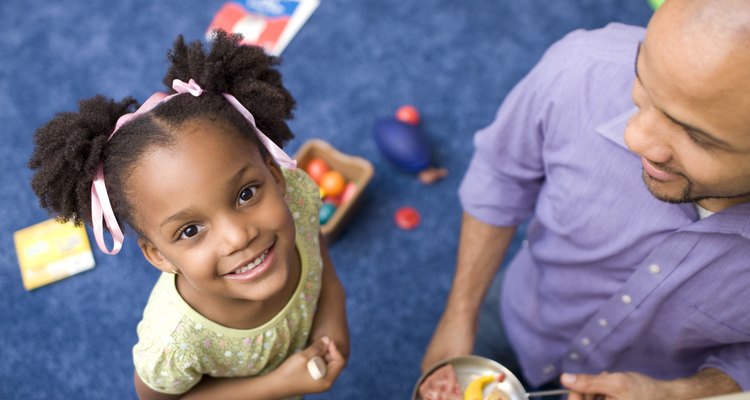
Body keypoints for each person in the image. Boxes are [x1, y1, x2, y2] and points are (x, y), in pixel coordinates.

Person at [422, 0, 750, 398]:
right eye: (643, 84)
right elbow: (500, 175)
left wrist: (681, 393)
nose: (634, 138)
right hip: (518, 314)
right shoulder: (581, 68)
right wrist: (459, 315)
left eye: (696, 136)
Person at [29, 31, 349, 400]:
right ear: (158, 255)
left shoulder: (298, 198)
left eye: (246, 194)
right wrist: (277, 386)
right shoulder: (174, 341)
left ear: (275, 176)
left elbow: (318, 253)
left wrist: (331, 315)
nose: (237, 236)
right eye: (191, 229)